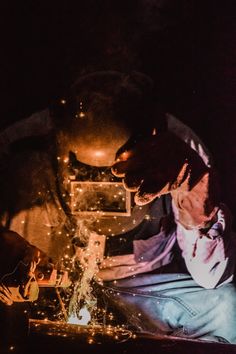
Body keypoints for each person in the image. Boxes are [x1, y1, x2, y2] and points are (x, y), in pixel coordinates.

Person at [0, 71, 235, 345]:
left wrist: (197, 208)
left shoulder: (183, 152)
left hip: (138, 286)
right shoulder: (18, 145)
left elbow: (212, 276)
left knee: (227, 308)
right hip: (43, 284)